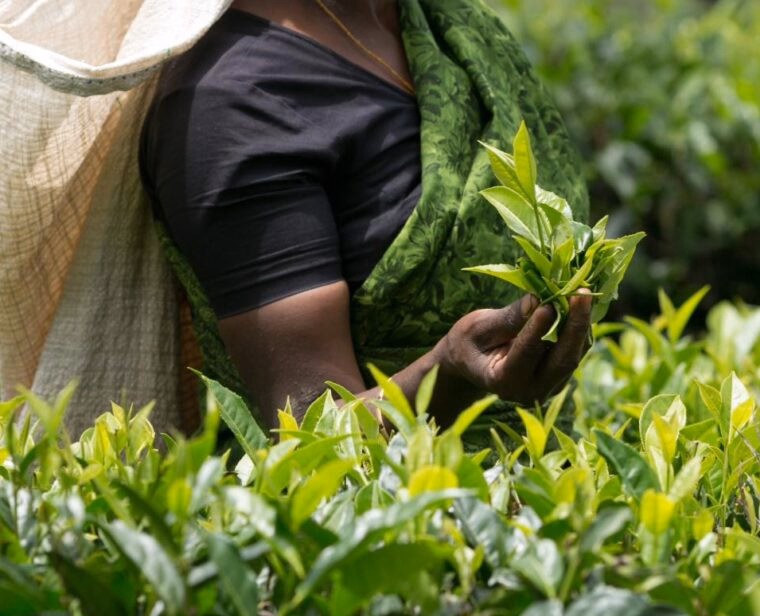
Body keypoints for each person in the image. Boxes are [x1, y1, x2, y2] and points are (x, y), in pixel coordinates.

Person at [139, 0, 592, 433]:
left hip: (550, 492)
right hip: (401, 507)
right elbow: (315, 438)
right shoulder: (236, 105)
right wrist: (449, 373)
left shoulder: (438, 22)